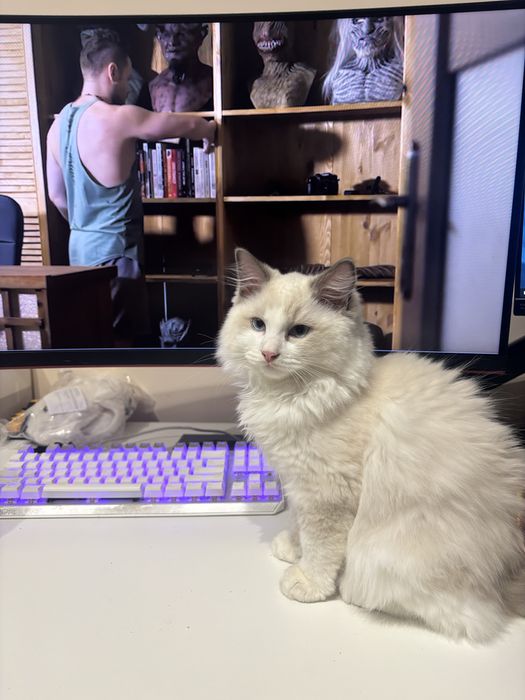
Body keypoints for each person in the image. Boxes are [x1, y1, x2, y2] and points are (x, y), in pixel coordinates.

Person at [46, 29, 217, 345]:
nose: (127, 89)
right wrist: (208, 130)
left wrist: (88, 227)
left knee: (93, 340)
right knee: (124, 346)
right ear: (112, 72)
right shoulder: (118, 117)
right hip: (117, 257)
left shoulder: (57, 126)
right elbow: (184, 123)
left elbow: (57, 196)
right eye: (126, 79)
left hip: (78, 252)